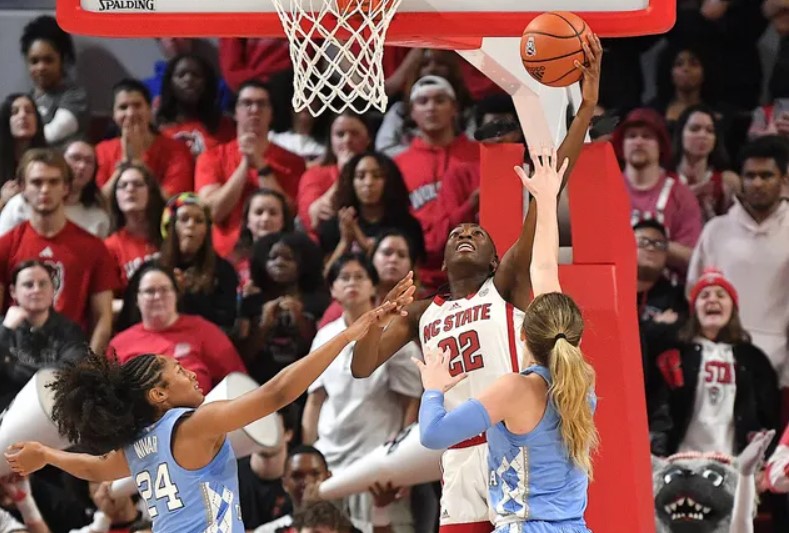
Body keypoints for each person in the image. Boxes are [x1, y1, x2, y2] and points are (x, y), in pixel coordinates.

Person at [350, 37, 600, 533]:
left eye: (477, 234)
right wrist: (376, 316)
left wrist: (584, 112)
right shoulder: (424, 311)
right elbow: (362, 366)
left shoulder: (505, 285)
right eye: (457, 233)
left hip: (510, 436)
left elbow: (549, 199)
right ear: (441, 258)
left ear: (492, 259)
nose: (466, 233)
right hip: (461, 459)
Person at [3, 282, 414, 533]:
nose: (191, 374)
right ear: (158, 395)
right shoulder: (195, 425)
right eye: (179, 371)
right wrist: (345, 338)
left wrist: (47, 455)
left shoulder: (139, 445)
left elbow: (96, 468)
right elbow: (275, 395)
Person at [414, 149, 597, 532]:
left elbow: (433, 434)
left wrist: (433, 390)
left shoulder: (517, 388)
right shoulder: (580, 381)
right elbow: (545, 270)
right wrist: (545, 201)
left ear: (525, 334)